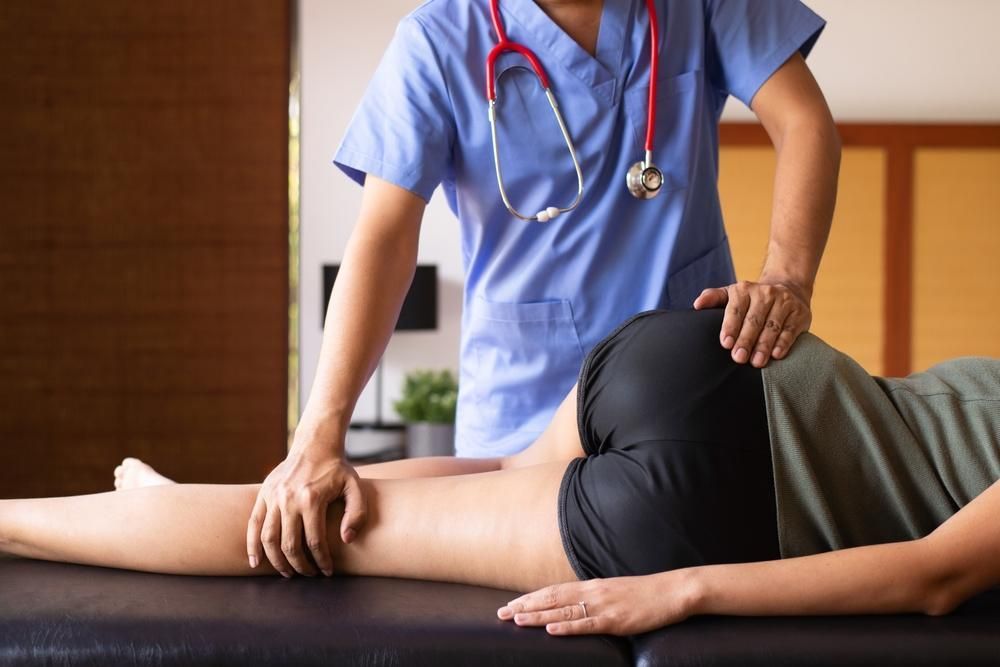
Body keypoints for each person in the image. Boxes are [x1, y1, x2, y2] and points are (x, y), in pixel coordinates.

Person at [257, 0, 841, 577]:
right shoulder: (438, 40)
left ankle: (161, 504)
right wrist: (317, 436)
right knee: (332, 522)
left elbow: (804, 121)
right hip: (523, 398)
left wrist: (787, 278)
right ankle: (159, 499)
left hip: (682, 402)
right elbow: (383, 237)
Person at [4, 309, 998, 638]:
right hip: (724, 499)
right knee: (344, 545)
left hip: (700, 360)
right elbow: (935, 573)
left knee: (471, 478)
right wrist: (682, 588)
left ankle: (167, 504)